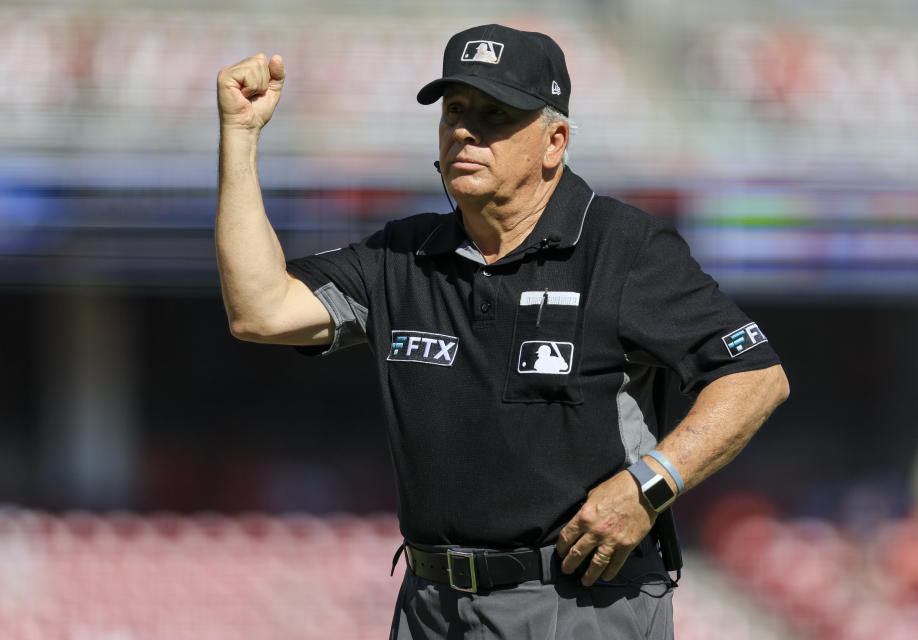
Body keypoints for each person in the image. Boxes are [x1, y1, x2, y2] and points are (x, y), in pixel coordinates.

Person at [216, 23, 789, 640]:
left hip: (581, 604)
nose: (466, 129)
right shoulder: (404, 255)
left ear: (554, 141)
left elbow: (756, 376)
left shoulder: (624, 248)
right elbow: (260, 310)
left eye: (496, 114)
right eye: (455, 110)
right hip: (432, 607)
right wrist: (240, 135)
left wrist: (648, 487)